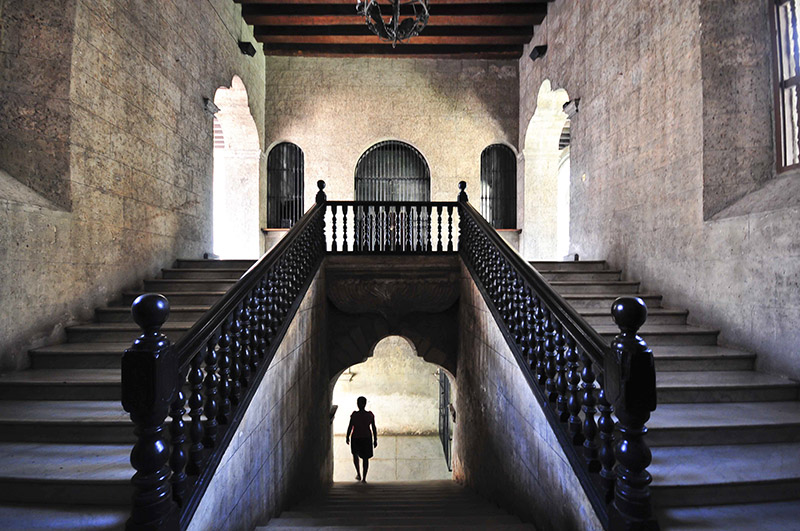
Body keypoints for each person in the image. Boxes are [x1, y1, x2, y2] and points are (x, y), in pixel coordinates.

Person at [345, 396, 377, 483]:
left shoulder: (354, 415)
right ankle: (364, 478)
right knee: (365, 458)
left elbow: (350, 426)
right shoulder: (370, 415)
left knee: (355, 455)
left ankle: (358, 473)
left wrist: (347, 436)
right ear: (365, 404)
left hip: (356, 437)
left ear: (357, 404)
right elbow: (373, 427)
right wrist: (375, 439)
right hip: (366, 438)